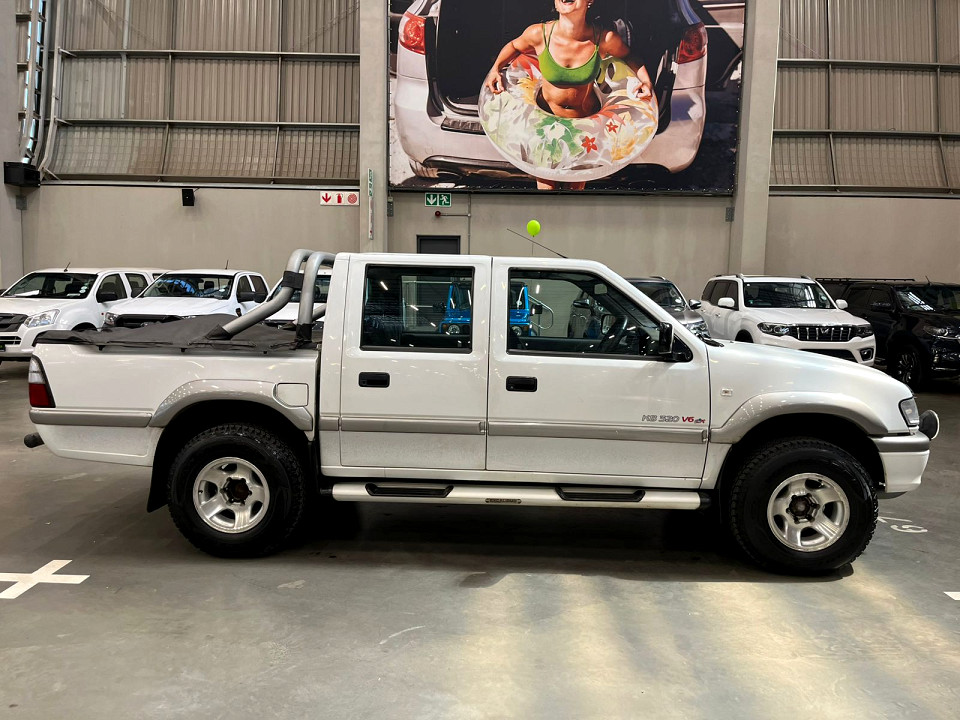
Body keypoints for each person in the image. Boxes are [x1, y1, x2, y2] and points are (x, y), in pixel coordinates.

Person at [483, 0, 654, 191]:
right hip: (545, 129)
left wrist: (645, 81)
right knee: (547, 191)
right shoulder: (539, 34)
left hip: (583, 128)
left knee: (575, 192)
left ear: (589, 2)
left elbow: (629, 56)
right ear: (555, 4)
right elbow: (514, 46)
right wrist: (495, 69)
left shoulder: (604, 39)